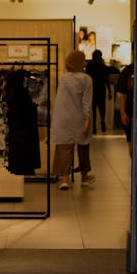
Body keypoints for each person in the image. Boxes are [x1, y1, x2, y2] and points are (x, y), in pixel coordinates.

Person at [50, 49, 94, 190]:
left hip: (63, 118)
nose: (85, 62)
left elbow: (60, 101)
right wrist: (87, 120)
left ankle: (64, 179)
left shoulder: (64, 78)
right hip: (79, 118)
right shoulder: (86, 79)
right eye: (83, 60)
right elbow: (86, 102)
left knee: (64, 148)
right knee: (83, 148)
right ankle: (84, 178)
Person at [85, 48, 113, 133]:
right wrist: (109, 91)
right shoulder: (103, 66)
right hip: (101, 89)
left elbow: (87, 79)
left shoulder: (89, 66)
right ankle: (103, 121)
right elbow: (106, 79)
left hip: (92, 89)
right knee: (102, 107)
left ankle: (93, 127)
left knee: (93, 108)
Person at [117, 60, 134, 156]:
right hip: (130, 112)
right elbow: (122, 94)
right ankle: (135, 167)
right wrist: (123, 113)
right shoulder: (127, 71)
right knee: (131, 142)